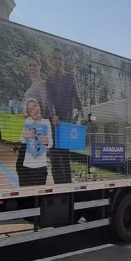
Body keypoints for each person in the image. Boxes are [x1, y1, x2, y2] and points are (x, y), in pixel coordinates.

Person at [15, 54, 54, 186]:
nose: (32, 67)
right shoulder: (31, 85)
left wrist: (36, 115)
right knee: (22, 166)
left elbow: (45, 104)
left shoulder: (42, 84)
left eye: (34, 65)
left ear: (39, 67)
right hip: (30, 126)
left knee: (24, 165)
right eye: (29, 65)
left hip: (37, 128)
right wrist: (26, 114)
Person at [46, 48, 83, 184]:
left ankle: (67, 184)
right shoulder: (49, 79)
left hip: (66, 122)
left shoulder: (70, 77)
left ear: (63, 61)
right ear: (52, 61)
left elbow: (78, 98)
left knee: (64, 154)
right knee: (55, 155)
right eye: (55, 58)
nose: (58, 61)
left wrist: (81, 115)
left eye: (60, 58)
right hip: (54, 122)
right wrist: (53, 114)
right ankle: (58, 184)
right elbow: (49, 99)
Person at [19, 99, 51, 186]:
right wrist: (25, 136)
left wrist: (47, 141)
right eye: (31, 110)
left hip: (41, 166)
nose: (34, 110)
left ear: (40, 106)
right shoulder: (28, 121)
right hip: (27, 165)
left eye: (35, 106)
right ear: (29, 114)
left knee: (39, 195)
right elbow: (21, 140)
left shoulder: (46, 122)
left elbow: (50, 144)